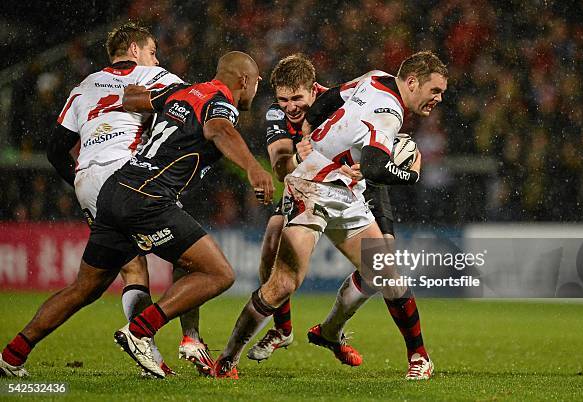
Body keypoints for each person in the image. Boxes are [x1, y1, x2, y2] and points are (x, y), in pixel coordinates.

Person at [0, 51, 274, 379]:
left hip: (116, 191)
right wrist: (254, 167)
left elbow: (130, 98)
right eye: (258, 82)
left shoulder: (181, 92)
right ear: (244, 80)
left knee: (85, 287)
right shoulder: (221, 101)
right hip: (150, 198)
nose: (257, 89)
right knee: (218, 273)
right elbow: (218, 129)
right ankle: (141, 331)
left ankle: (12, 355)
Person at [214, 51, 447, 381]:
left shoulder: (376, 76)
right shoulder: (389, 114)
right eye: (435, 91)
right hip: (311, 187)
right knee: (283, 283)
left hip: (345, 190)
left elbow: (333, 96)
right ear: (412, 82)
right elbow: (375, 167)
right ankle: (226, 360)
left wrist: (309, 129)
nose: (438, 98)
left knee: (387, 276)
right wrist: (412, 174)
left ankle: (419, 358)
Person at [42, 22, 215, 377]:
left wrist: (76, 179)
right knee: (194, 253)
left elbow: (56, 148)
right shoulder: (155, 75)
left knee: (131, 268)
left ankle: (146, 352)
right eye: (152, 51)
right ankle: (188, 338)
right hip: (131, 177)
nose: (156, 57)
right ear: (135, 50)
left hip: (88, 181)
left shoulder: (84, 85)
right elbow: (193, 106)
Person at [246, 54, 394, 367]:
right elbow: (280, 166)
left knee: (380, 267)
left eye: (297, 98)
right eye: (283, 99)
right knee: (272, 242)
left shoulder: (341, 106)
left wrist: (386, 224)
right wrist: (294, 160)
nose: (291, 107)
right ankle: (282, 330)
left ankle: (333, 331)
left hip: (355, 192)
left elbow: (374, 163)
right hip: (305, 185)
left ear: (314, 91)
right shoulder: (277, 114)